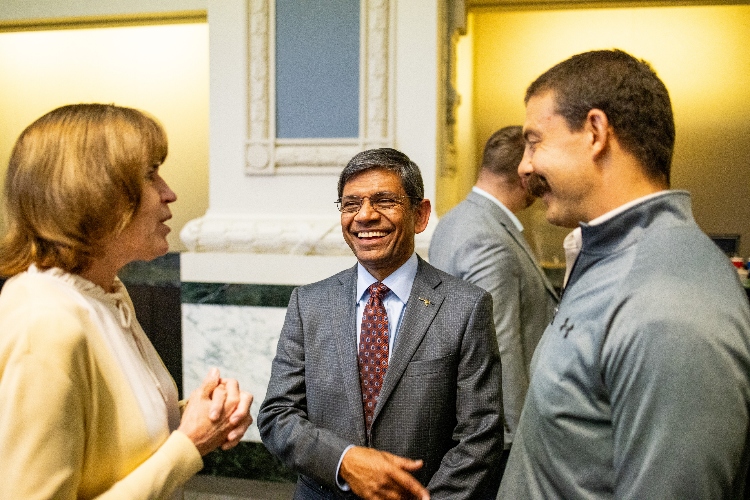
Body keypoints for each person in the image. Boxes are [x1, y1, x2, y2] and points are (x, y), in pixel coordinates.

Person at [498, 49, 750, 498]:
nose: (524, 166)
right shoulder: (605, 256)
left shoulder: (670, 303)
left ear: (595, 131)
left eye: (534, 141)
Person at [0, 104, 254, 499]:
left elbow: (109, 440)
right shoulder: (45, 321)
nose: (169, 193)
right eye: (150, 174)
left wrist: (201, 418)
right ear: (93, 193)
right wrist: (190, 445)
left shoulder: (106, 294)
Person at [258, 148, 503, 499]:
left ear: (420, 215)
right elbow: (277, 415)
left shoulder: (465, 308)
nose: (365, 216)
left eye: (385, 201)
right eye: (351, 204)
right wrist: (343, 461)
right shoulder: (308, 304)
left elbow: (479, 435)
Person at [428, 125, 558, 477]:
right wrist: (516, 440)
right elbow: (499, 344)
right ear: (523, 174)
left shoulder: (454, 219)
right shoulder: (488, 237)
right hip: (499, 436)